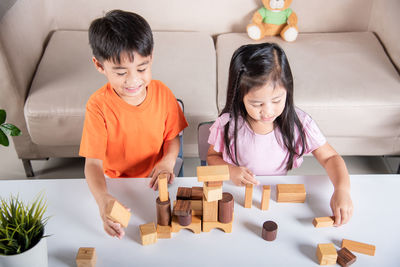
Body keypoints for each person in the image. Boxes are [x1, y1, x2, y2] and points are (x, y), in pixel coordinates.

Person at [207, 43, 353, 226]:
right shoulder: (228, 124)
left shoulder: (299, 123)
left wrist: (342, 189)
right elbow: (212, 157)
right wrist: (230, 171)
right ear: (239, 96)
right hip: (238, 196)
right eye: (257, 104)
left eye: (277, 100)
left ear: (288, 91)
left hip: (276, 198)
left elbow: (330, 157)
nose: (268, 111)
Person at [79, 10, 188, 238]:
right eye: (120, 72)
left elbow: (172, 138)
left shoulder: (163, 94)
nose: (133, 80)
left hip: (154, 180)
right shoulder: (98, 106)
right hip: (114, 184)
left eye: (142, 68)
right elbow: (92, 165)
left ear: (152, 58)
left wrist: (168, 161)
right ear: (99, 66)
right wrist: (102, 200)